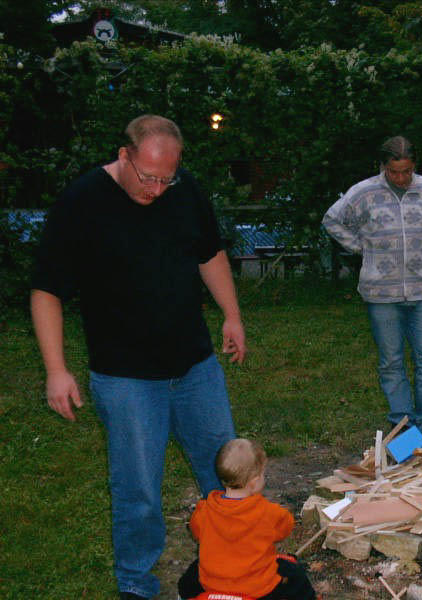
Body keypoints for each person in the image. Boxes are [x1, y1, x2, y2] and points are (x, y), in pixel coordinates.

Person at [30, 114, 247, 600]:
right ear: (124, 155)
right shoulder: (81, 202)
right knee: (139, 490)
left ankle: (234, 560)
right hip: (125, 375)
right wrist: (56, 370)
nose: (156, 189)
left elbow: (208, 253)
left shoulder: (183, 189)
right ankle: (136, 582)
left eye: (166, 179)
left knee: (223, 469)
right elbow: (47, 290)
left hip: (194, 365)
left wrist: (232, 315)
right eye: (147, 177)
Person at [322, 135, 422, 448]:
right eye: (394, 172)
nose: (401, 178)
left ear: (414, 167)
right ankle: (403, 432)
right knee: (392, 362)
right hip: (380, 296)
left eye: (407, 172)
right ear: (382, 167)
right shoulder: (364, 192)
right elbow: (332, 220)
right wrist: (362, 247)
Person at [178, 438, 316, 600]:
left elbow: (196, 532)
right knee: (295, 573)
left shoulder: (204, 510)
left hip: (213, 583)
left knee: (189, 577)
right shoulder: (268, 513)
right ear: (255, 481)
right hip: (258, 589)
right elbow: (285, 528)